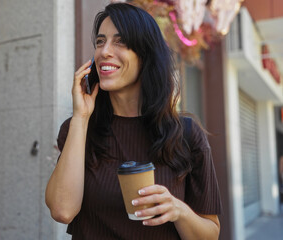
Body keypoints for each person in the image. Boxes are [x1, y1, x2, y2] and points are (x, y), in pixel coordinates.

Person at [45, 3, 222, 239]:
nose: (104, 51)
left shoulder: (186, 135)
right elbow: (62, 211)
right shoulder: (78, 129)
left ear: (145, 55)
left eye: (120, 41)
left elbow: (210, 233)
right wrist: (81, 117)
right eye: (100, 41)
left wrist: (179, 211)